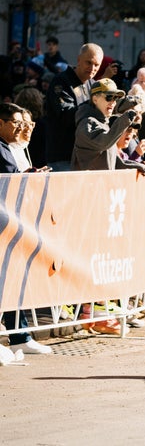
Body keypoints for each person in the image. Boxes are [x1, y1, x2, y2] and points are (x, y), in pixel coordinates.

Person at [0, 102, 52, 354]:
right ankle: (18, 333)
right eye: (16, 123)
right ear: (1, 123)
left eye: (26, 123)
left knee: (12, 278)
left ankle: (19, 333)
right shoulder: (2, 148)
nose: (22, 128)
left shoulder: (15, 146)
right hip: (5, 222)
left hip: (13, 222)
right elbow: (10, 176)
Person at [45, 43, 104, 171]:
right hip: (62, 156)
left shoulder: (93, 85)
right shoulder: (61, 82)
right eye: (88, 62)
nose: (92, 68)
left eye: (97, 65)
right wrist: (94, 105)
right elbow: (66, 115)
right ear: (78, 60)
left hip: (85, 158)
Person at [71, 79, 145, 173]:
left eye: (115, 98)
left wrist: (141, 165)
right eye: (109, 97)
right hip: (88, 185)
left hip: (103, 184)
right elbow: (104, 143)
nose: (113, 102)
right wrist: (126, 118)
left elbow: (115, 162)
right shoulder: (87, 123)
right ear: (95, 99)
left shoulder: (104, 123)